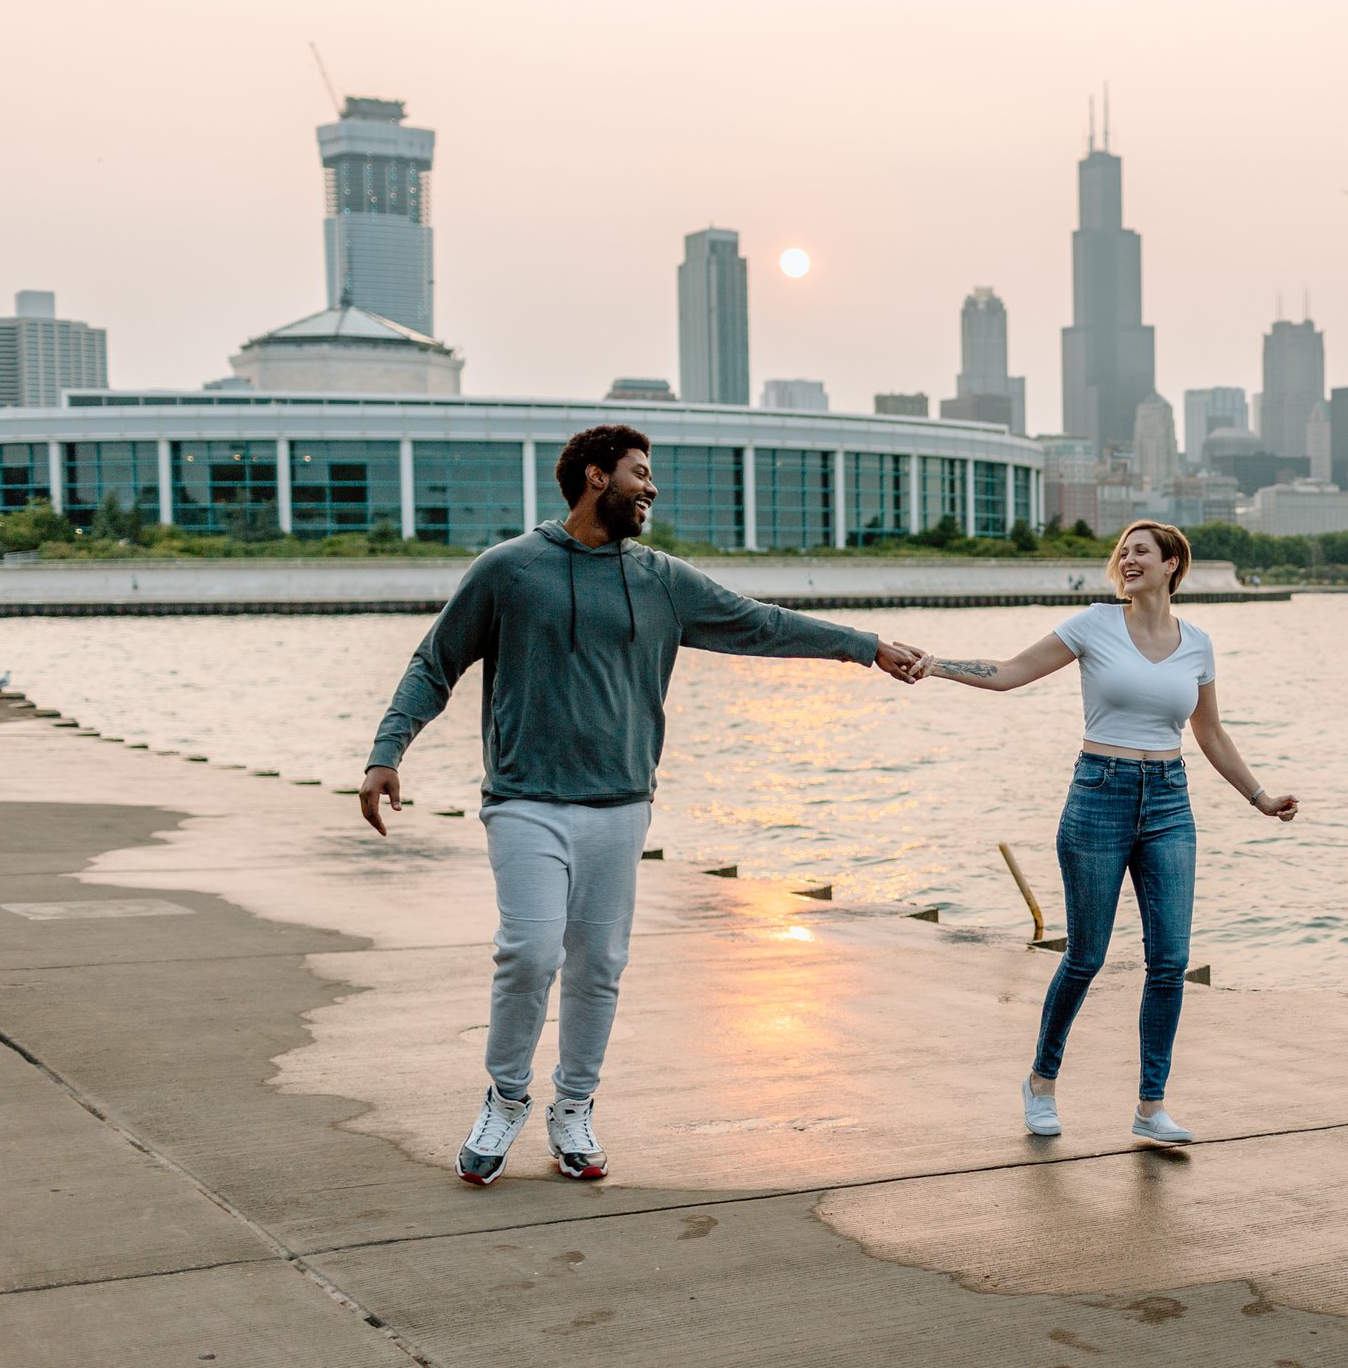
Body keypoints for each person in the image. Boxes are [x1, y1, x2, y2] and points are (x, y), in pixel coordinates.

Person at [358, 425, 927, 1187]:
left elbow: (763, 625)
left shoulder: (662, 579)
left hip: (621, 803)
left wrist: (865, 644)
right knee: (528, 952)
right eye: (640, 473)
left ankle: (574, 1107)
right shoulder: (508, 570)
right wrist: (386, 752)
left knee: (600, 965)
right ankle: (504, 1095)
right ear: (596, 477)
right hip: (525, 798)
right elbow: (436, 662)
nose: (651, 488)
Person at [921, 520, 1297, 1144]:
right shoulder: (1093, 624)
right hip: (1099, 796)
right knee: (1086, 956)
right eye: (1123, 552)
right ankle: (1041, 1082)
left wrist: (1259, 797)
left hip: (1170, 803)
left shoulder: (1197, 642)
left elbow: (1210, 734)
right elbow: (1010, 672)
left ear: (1172, 564)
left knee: (1169, 962)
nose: (1127, 559)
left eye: (1141, 552)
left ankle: (1151, 1105)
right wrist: (937, 665)